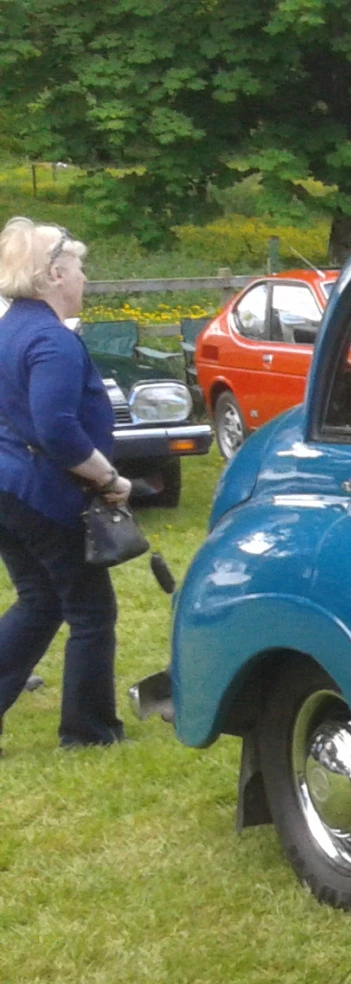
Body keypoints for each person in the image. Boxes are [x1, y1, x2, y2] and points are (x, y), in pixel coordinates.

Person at [0, 217, 129, 752]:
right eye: (78, 268)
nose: (83, 279)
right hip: (38, 492)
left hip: (8, 484)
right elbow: (56, 428)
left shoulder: (8, 328)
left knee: (38, 600)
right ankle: (88, 733)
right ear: (54, 274)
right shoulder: (50, 340)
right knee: (92, 612)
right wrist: (108, 477)